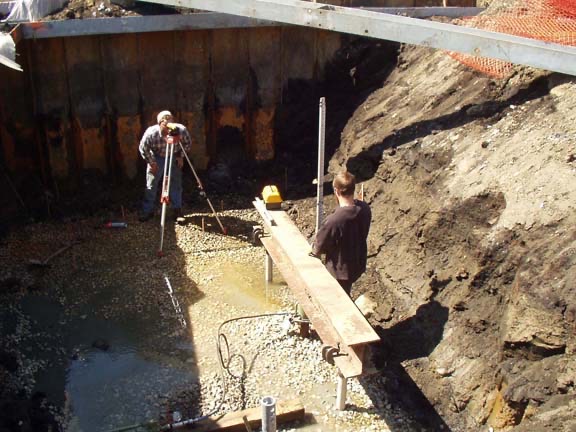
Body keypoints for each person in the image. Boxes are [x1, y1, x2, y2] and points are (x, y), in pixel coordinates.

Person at [311, 170, 371, 295]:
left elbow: (320, 245)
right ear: (353, 190)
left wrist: (314, 251)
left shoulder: (335, 220)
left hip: (339, 270)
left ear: (336, 191)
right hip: (357, 263)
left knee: (339, 297)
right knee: (345, 291)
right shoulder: (365, 209)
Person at [138, 110, 192, 222]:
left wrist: (180, 156)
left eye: (169, 131)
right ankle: (147, 210)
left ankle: (177, 210)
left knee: (175, 182)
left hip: (174, 154)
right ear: (159, 124)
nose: (167, 134)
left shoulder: (181, 130)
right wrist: (151, 162)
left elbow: (188, 143)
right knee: (151, 184)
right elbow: (143, 148)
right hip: (156, 156)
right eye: (164, 131)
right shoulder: (151, 133)